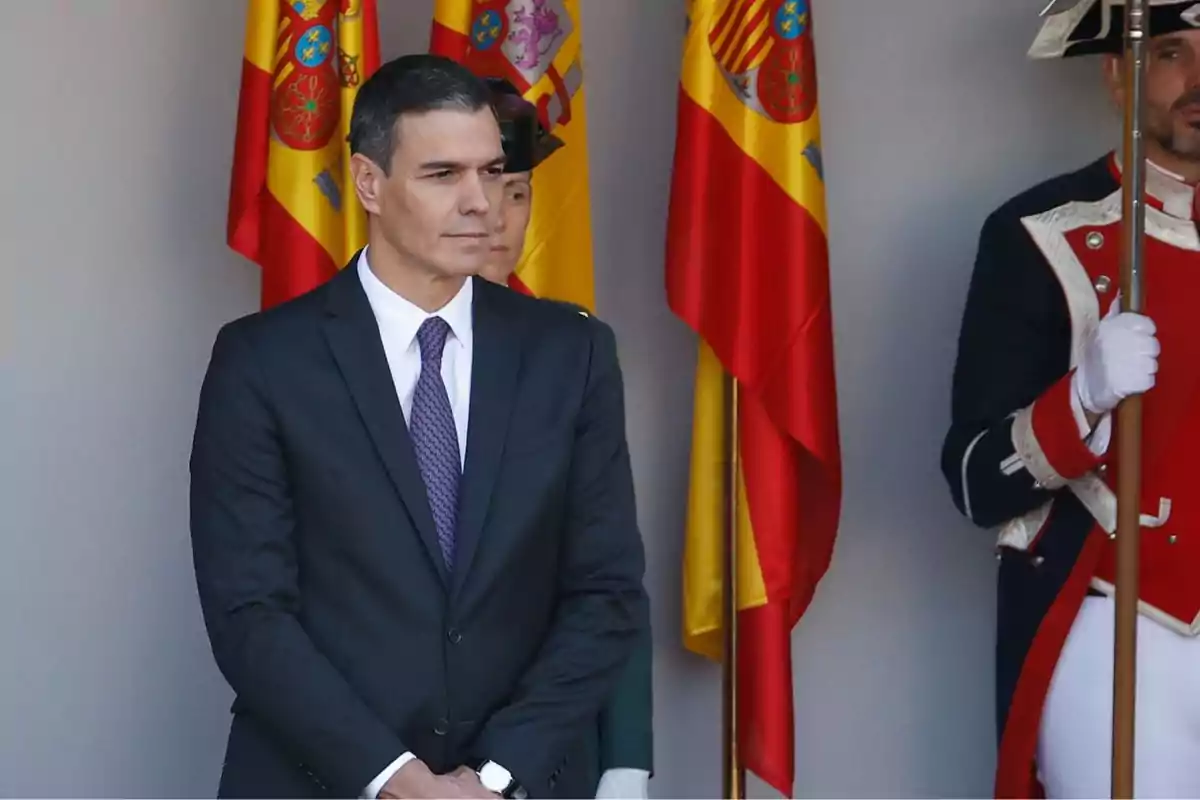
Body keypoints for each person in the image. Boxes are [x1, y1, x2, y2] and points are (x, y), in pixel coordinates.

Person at [189, 53, 649, 800]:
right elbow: (250, 613)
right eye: (443, 176)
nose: (482, 204)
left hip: (520, 783)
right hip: (316, 782)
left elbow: (605, 594)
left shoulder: (575, 353)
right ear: (370, 183)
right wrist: (397, 779)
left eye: (492, 173)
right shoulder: (262, 361)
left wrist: (491, 776)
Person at [941, 1, 1200, 796]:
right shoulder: (1039, 235)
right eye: (1170, 54)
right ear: (1117, 74)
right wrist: (1082, 398)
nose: (1199, 80)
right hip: (1124, 624)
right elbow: (974, 479)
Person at [482, 78, 654, 800]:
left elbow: (606, 572)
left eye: (516, 193)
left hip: (545, 756)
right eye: (464, 183)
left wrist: (624, 761)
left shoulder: (573, 353)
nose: (491, 216)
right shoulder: (318, 353)